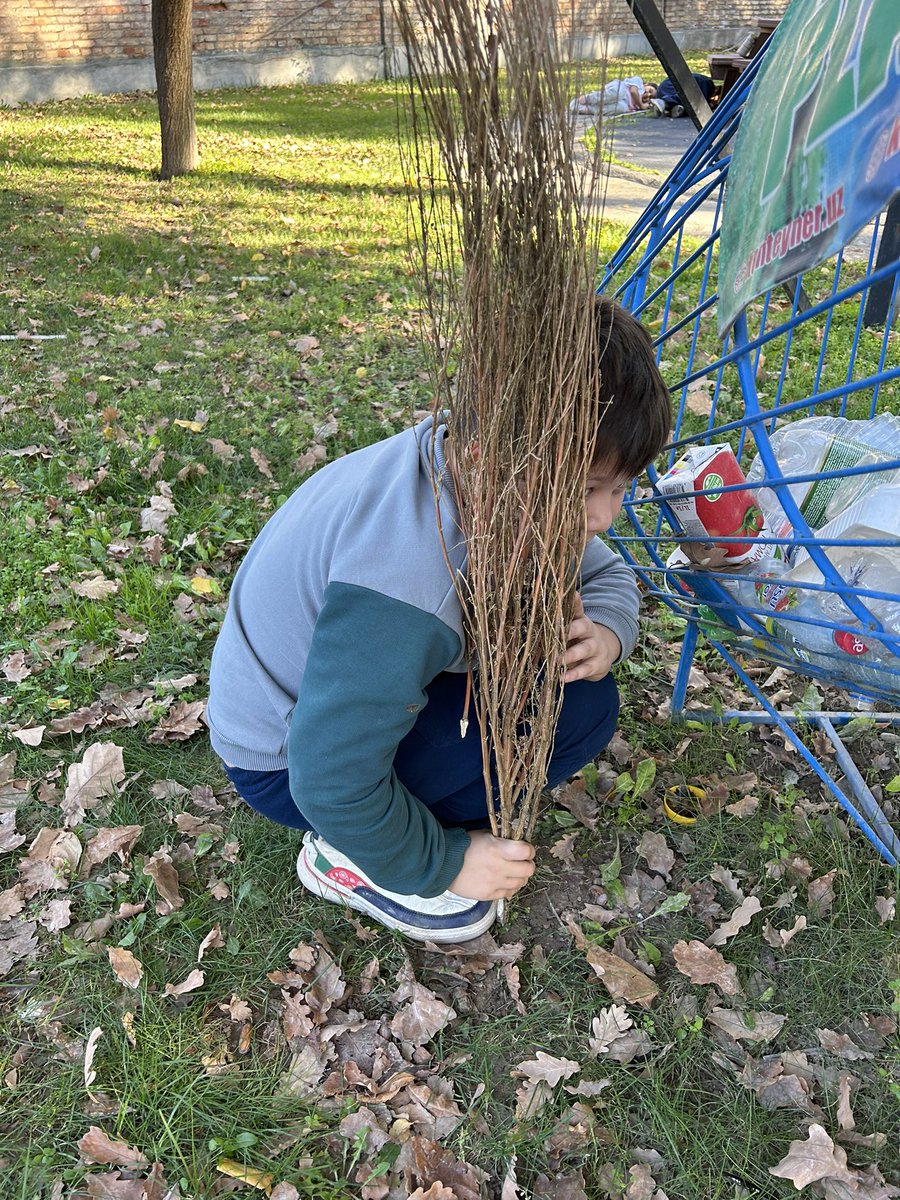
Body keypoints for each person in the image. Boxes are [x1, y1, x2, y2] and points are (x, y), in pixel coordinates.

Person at [206, 296, 671, 943]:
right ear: (487, 457)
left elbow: (605, 575)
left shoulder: (497, 478)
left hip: (334, 707)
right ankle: (352, 857)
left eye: (620, 488)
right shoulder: (410, 582)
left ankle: (390, 820)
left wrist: (609, 632)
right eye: (587, 490)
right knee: (579, 712)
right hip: (287, 766)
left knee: (583, 691)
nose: (604, 517)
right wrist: (443, 862)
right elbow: (331, 780)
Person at [569, 77, 658, 119]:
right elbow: (633, 91)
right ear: (646, 84)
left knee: (622, 108)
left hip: (624, 102)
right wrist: (642, 105)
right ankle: (588, 99)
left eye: (651, 97)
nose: (648, 95)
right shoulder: (638, 82)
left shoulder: (637, 106)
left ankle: (586, 108)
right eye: (650, 90)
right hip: (620, 88)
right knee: (618, 93)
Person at [648, 73, 718, 119]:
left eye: (649, 91)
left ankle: (669, 105)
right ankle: (669, 104)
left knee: (690, 100)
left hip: (693, 83)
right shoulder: (707, 84)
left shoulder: (662, 87)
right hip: (696, 84)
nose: (648, 94)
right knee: (691, 101)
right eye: (649, 97)